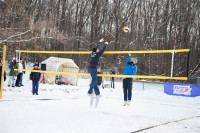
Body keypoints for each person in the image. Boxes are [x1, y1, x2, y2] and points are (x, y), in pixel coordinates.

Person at [88, 38, 108, 107]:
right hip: (93, 69)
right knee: (94, 80)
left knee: (95, 81)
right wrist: (106, 44)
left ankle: (97, 93)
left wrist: (99, 42)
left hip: (91, 69)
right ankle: (89, 92)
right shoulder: (97, 54)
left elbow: (96, 48)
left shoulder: (93, 53)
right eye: (97, 49)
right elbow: (103, 50)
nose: (98, 49)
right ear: (96, 51)